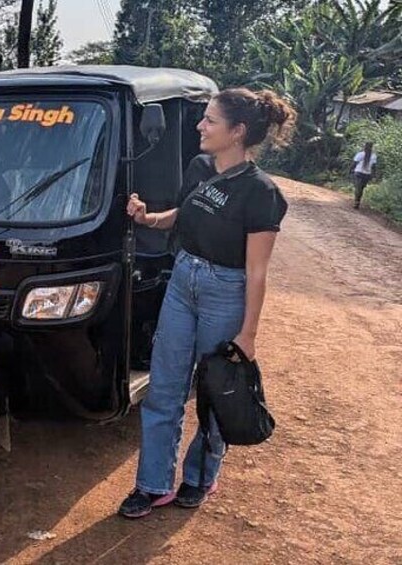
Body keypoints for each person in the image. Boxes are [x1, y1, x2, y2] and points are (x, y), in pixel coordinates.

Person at [118, 88, 296, 519]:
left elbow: (257, 272)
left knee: (216, 392)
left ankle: (200, 475)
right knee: (164, 388)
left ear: (237, 132)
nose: (200, 125)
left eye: (210, 120)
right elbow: (181, 213)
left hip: (226, 289)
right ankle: (153, 484)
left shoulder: (261, 193)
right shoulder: (199, 166)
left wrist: (248, 335)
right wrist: (147, 218)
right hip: (183, 279)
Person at [352, 141, 377, 209]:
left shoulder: (360, 154)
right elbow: (374, 167)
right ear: (372, 147)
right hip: (367, 174)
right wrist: (374, 176)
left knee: (358, 188)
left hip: (358, 172)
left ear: (364, 147)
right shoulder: (374, 156)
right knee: (361, 188)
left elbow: (354, 163)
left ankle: (356, 201)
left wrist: (350, 170)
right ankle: (357, 201)